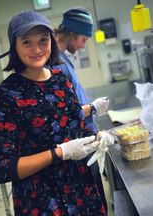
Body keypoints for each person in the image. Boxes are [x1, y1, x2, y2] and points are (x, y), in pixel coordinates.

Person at [0, 10, 113, 215]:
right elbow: (2, 168)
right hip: (42, 200)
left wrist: (95, 139)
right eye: (26, 42)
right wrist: (59, 153)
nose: (36, 49)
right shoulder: (6, 95)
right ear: (14, 46)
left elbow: (72, 127)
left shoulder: (60, 80)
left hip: (82, 191)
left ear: (51, 42)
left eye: (43, 40)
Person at [52, 7, 109, 213]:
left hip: (85, 138)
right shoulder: (54, 62)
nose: (84, 45)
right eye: (84, 39)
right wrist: (93, 108)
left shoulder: (63, 58)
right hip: (76, 146)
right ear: (73, 33)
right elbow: (65, 113)